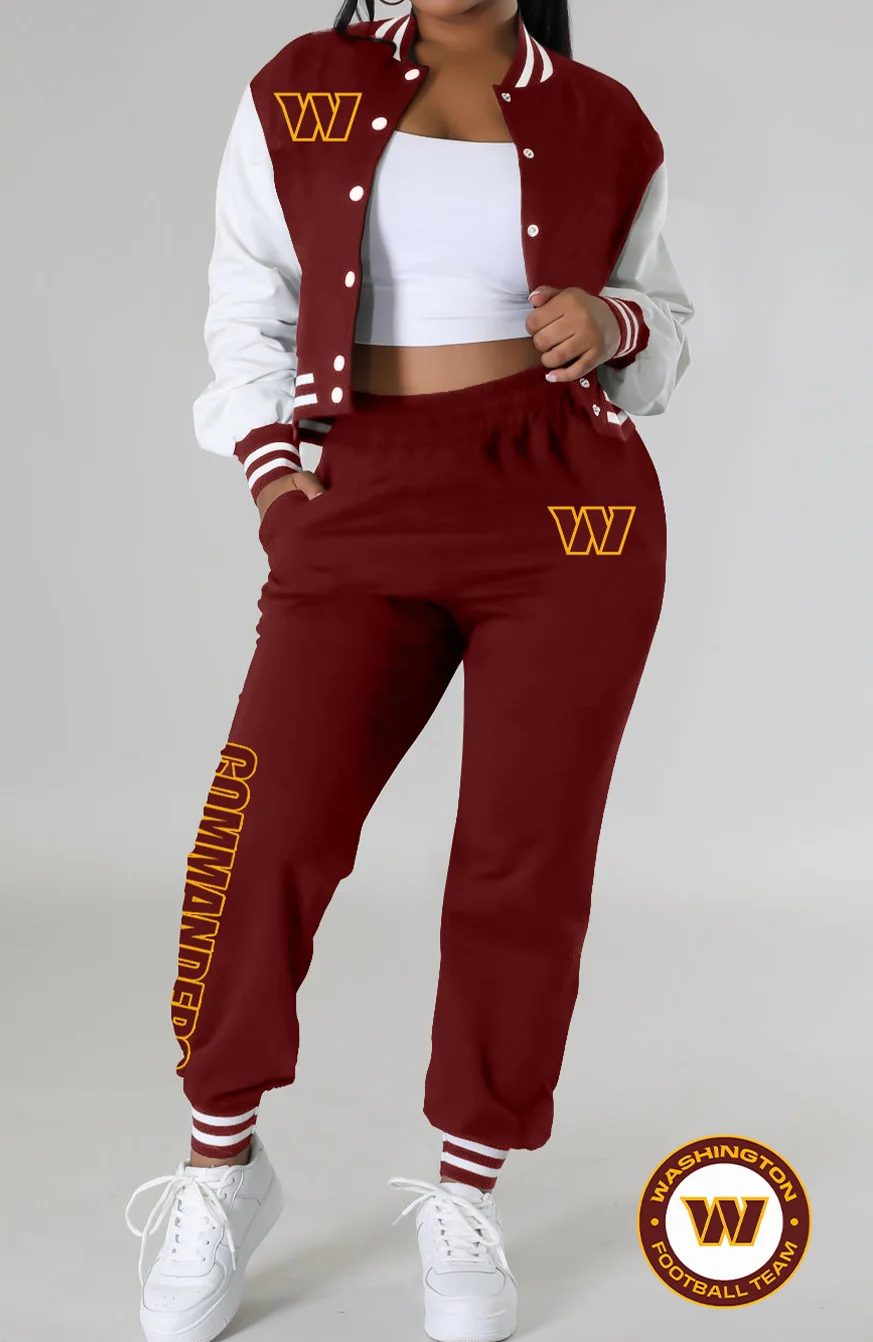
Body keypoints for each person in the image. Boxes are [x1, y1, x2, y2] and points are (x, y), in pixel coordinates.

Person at [123, 2, 694, 1339]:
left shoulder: (604, 118)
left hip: (567, 512)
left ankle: (466, 1186)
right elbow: (247, 296)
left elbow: (666, 331)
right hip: (364, 490)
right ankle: (220, 1164)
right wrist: (276, 483)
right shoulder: (300, 87)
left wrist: (613, 323)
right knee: (260, 830)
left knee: (521, 854)